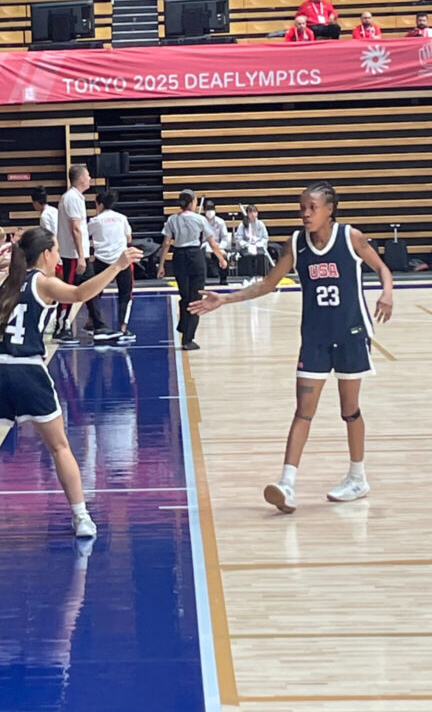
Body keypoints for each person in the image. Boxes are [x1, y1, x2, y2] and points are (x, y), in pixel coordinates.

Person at [0, 227, 142, 543]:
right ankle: (81, 517)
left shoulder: (1, 280)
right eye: (57, 251)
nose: (58, 257)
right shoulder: (44, 283)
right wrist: (116, 266)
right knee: (59, 447)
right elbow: (79, 294)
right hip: (26, 370)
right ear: (46, 253)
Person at [189, 181, 394, 513]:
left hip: (352, 333)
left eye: (312, 207)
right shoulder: (297, 244)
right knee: (303, 410)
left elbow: (383, 268)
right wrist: (225, 299)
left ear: (330, 209)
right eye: (302, 207)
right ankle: (286, 484)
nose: (305, 214)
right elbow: (268, 284)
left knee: (349, 410)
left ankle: (358, 477)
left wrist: (387, 292)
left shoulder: (350, 237)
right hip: (314, 338)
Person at [156, 191, 228, 351]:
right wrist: (221, 259)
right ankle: (188, 338)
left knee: (185, 295)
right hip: (195, 256)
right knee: (196, 296)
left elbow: (166, 243)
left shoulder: (172, 219)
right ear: (193, 202)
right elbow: (212, 242)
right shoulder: (200, 219)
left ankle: (183, 325)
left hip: (179, 256)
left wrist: (161, 265)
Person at [55, 164, 106, 343]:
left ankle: (98, 325)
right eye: (88, 175)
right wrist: (81, 256)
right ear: (81, 178)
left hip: (77, 254)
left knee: (90, 288)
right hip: (73, 255)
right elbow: (75, 229)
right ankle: (61, 328)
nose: (90, 178)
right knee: (68, 290)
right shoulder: (72, 198)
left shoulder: (76, 197)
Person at [88, 191, 135, 343]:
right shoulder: (122, 218)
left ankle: (94, 323)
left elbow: (86, 236)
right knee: (125, 294)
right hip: (121, 260)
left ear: (100, 204)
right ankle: (123, 327)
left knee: (94, 292)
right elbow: (129, 237)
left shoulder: (95, 220)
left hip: (102, 260)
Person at [235, 204, 270, 276]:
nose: (253, 214)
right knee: (247, 255)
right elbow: (238, 238)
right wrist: (246, 245)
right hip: (246, 246)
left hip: (258, 245)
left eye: (254, 212)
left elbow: (265, 237)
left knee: (260, 255)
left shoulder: (261, 224)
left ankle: (261, 275)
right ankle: (248, 276)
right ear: (247, 214)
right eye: (250, 212)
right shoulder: (242, 225)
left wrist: (259, 244)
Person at [202, 201, 230, 285]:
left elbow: (225, 237)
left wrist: (221, 247)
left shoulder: (220, 222)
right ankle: (203, 279)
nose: (210, 212)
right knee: (206, 256)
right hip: (205, 245)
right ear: (204, 210)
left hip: (218, 246)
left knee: (224, 255)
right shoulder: (201, 221)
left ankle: (223, 279)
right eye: (208, 209)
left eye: (211, 209)